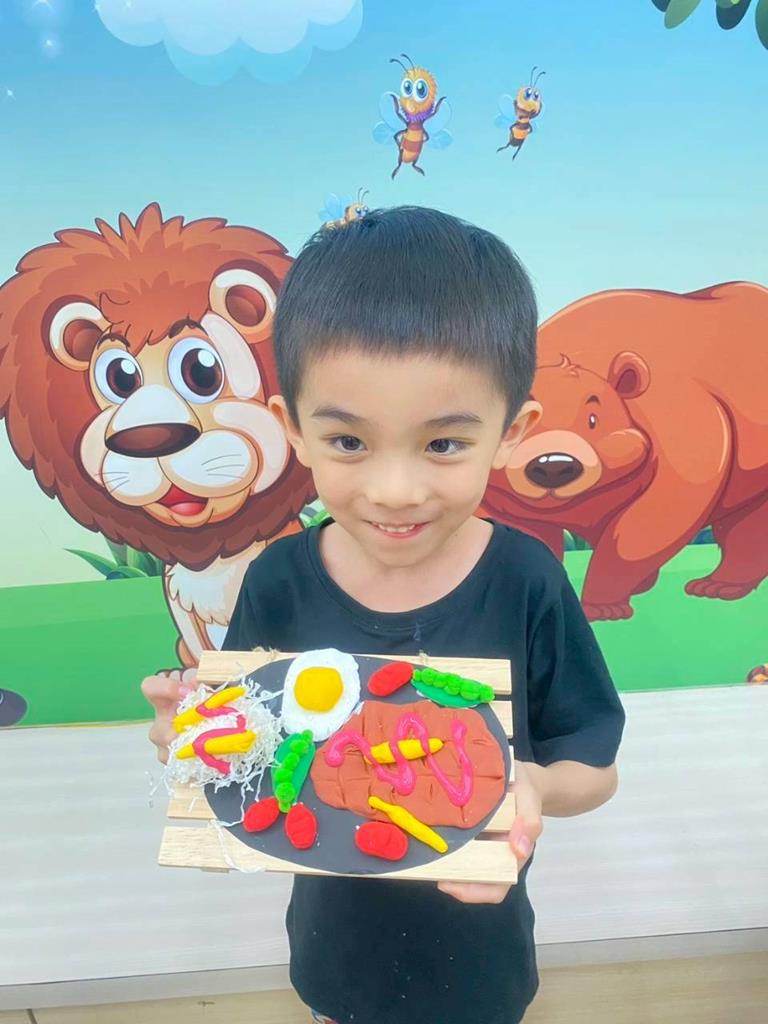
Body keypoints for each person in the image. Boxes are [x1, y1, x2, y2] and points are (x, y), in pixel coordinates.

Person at [143, 206, 625, 1024]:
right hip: (335, 960)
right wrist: (186, 737)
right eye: (349, 443)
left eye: (443, 444)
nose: (395, 491)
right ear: (295, 430)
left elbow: (595, 768)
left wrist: (532, 784)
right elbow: (243, 751)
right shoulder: (279, 581)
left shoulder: (527, 581)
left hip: (481, 968)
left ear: (512, 433)